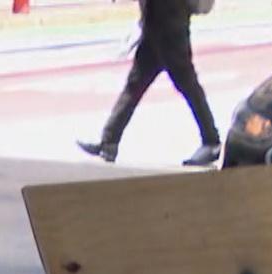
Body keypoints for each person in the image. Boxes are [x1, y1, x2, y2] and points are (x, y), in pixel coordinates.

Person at [77, 0, 221, 167]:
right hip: (155, 24)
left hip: (170, 25)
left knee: (188, 85)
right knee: (135, 85)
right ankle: (109, 141)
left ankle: (211, 141)